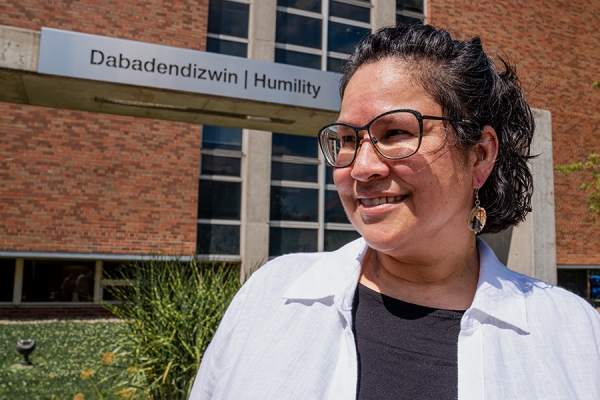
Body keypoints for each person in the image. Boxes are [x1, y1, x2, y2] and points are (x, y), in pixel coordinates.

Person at [190, 24, 600, 399]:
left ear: (479, 156)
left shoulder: (575, 335)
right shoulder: (270, 296)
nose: (362, 167)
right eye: (348, 139)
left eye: (398, 132)